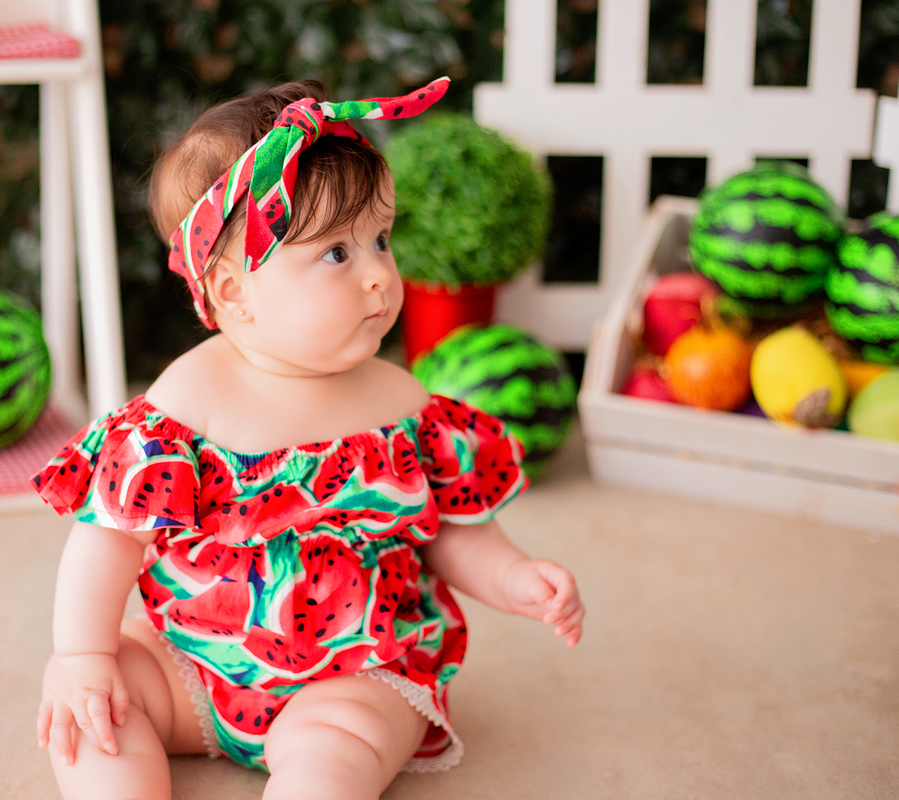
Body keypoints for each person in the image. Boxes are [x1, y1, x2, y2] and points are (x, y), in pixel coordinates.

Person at [31, 77, 584, 800]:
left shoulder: (399, 405)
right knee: (100, 707)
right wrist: (82, 655)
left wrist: (513, 576)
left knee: (339, 745)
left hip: (353, 667)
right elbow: (104, 543)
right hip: (191, 660)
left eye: (381, 240)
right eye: (336, 254)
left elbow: (447, 531)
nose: (380, 277)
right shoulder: (182, 409)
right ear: (233, 293)